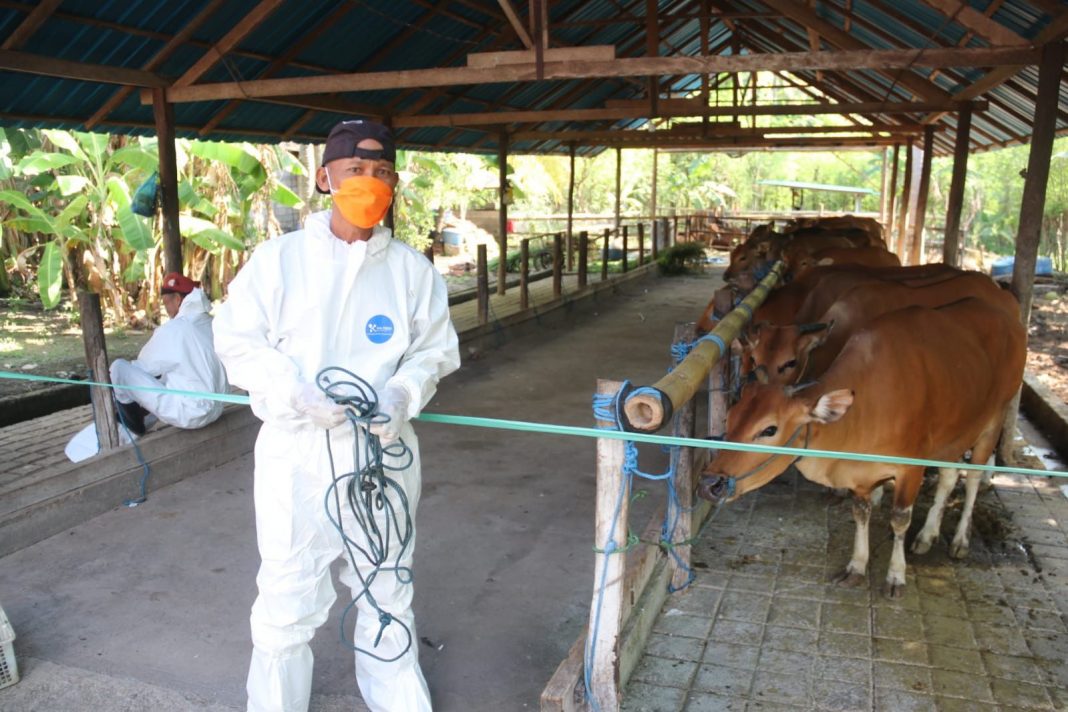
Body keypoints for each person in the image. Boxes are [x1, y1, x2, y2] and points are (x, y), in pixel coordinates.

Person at [212, 119, 460, 712]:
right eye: (355, 170)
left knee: (387, 586)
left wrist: (401, 393)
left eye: (381, 172)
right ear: (326, 178)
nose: (369, 183)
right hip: (297, 457)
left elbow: (433, 352)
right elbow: (237, 341)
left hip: (382, 456)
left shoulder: (411, 271)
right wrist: (294, 393)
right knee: (287, 591)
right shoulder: (279, 261)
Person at [64, 272, 228, 462]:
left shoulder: (175, 329)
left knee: (119, 370)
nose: (167, 309)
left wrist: (106, 379)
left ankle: (133, 425)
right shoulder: (211, 323)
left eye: (166, 303)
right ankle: (139, 415)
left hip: (191, 414)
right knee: (167, 376)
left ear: (177, 299)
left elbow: (143, 367)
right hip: (217, 409)